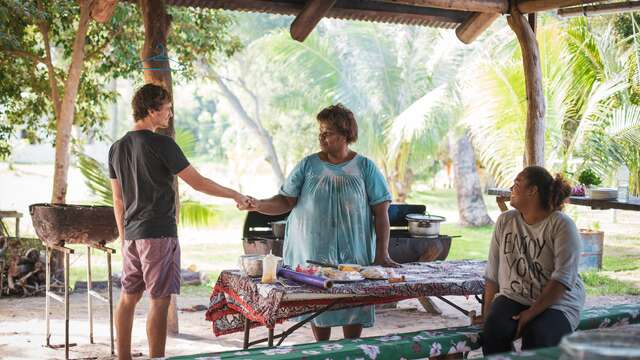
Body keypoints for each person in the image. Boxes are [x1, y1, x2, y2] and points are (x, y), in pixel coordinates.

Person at [109, 83, 250, 360]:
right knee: (159, 303)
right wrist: (235, 194)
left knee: (128, 298)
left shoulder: (116, 148)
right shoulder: (162, 144)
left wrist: (124, 237)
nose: (170, 115)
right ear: (151, 110)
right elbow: (197, 183)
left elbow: (118, 201)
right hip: (159, 234)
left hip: (132, 235)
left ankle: (122, 357)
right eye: (167, 109)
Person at [240, 104, 399, 342]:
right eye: (320, 132)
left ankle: (351, 351)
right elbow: (285, 201)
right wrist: (258, 205)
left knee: (352, 301)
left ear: (345, 134)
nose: (321, 137)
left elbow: (381, 213)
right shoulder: (308, 165)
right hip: (311, 249)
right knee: (318, 303)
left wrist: (382, 254)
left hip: (353, 250)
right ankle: (321, 348)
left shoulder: (364, 167)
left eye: (328, 133)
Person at [479, 166, 585, 355]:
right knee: (494, 329)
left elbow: (562, 280)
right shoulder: (505, 221)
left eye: (517, 184)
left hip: (558, 302)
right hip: (515, 296)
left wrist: (530, 314)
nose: (511, 188)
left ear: (532, 191)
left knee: (538, 336)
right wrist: (487, 313)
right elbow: (492, 274)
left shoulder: (561, 225)